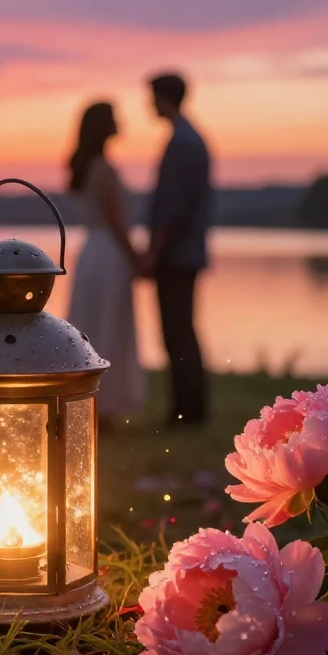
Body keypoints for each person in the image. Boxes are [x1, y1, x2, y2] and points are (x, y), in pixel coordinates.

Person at [64, 101, 146, 423]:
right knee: (108, 324)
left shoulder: (86, 166)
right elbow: (116, 220)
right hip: (109, 254)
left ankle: (91, 400)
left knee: (92, 322)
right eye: (114, 117)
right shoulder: (103, 168)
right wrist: (136, 258)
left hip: (91, 253)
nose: (120, 122)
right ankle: (105, 404)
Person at [142, 72, 211, 427]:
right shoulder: (188, 138)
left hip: (177, 256)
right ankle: (188, 407)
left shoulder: (183, 142)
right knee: (181, 330)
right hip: (185, 253)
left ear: (164, 97)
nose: (148, 103)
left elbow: (172, 208)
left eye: (152, 96)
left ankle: (187, 411)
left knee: (177, 332)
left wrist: (153, 254)